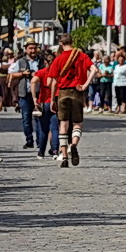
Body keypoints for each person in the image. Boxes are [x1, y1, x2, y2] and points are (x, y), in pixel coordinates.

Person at [41, 36, 94, 168]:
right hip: (77, 92)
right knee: (77, 124)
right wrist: (86, 84)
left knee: (63, 126)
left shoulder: (58, 58)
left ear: (60, 43)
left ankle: (64, 157)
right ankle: (74, 145)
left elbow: (53, 82)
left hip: (63, 93)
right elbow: (94, 70)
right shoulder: (81, 55)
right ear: (72, 42)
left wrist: (53, 98)